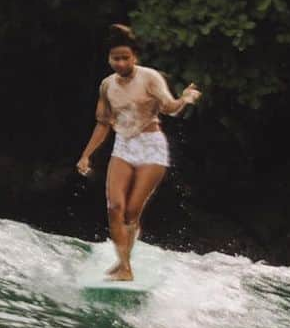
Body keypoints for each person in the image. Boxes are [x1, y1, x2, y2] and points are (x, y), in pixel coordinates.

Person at [76, 24, 201, 281]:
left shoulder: (150, 77)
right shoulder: (106, 86)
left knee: (132, 210)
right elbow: (103, 123)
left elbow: (169, 108)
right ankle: (124, 266)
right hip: (123, 146)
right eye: (115, 58)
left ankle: (124, 264)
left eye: (125, 58)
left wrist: (185, 99)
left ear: (135, 57)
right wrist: (86, 155)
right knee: (115, 207)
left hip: (151, 146)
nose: (120, 63)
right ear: (109, 59)